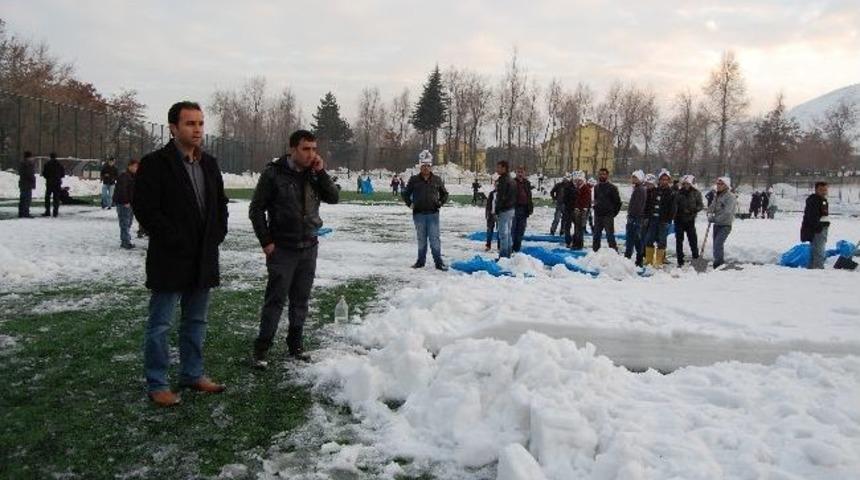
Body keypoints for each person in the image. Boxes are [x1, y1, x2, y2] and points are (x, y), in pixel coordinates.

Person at [132, 101, 229, 407]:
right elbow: (146, 209)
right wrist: (176, 239)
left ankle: (192, 373)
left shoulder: (209, 163)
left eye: (200, 123)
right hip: (170, 258)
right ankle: (157, 382)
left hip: (203, 258)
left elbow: (221, 205)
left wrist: (217, 234)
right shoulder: (155, 163)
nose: (197, 129)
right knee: (160, 324)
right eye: (190, 123)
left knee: (196, 322)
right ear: (173, 128)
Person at [249, 130, 339, 368]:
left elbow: (333, 197)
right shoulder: (274, 174)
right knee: (276, 299)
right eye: (305, 149)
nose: (311, 154)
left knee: (301, 299)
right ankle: (262, 347)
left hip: (309, 245)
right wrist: (266, 242)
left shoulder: (314, 173)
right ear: (292, 149)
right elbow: (256, 209)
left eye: (313, 149)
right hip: (283, 248)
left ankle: (295, 344)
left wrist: (321, 172)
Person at [402, 150, 449, 270]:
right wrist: (410, 204)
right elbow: (405, 193)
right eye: (423, 166)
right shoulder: (414, 180)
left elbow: (445, 194)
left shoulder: (437, 179)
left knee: (434, 239)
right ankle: (420, 262)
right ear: (420, 166)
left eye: (428, 166)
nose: (426, 168)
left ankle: (438, 262)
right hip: (419, 215)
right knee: (421, 239)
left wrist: (440, 203)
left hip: (433, 214)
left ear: (431, 166)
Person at [642, 171, 676, 267]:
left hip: (663, 220)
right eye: (662, 179)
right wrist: (647, 216)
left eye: (666, 180)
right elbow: (649, 204)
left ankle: (659, 261)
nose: (664, 181)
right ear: (659, 180)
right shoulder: (655, 190)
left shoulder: (671, 193)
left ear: (668, 181)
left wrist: (669, 220)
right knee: (649, 239)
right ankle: (648, 259)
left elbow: (673, 208)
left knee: (661, 240)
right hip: (653, 219)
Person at [706, 177, 737, 269]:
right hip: (717, 225)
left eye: (721, 184)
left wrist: (714, 219)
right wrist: (709, 212)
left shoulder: (730, 197)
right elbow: (712, 206)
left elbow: (727, 212)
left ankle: (718, 264)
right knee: (716, 245)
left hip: (725, 225)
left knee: (718, 244)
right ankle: (718, 261)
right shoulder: (717, 196)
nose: (718, 186)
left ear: (726, 185)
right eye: (717, 184)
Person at [673, 175, 704, 267]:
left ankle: (695, 257)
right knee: (679, 240)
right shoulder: (678, 193)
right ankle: (680, 260)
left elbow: (700, 205)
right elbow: (674, 205)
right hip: (679, 220)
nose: (686, 185)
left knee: (693, 240)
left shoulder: (696, 193)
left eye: (688, 184)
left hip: (690, 220)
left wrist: (693, 210)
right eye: (684, 184)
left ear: (691, 184)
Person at [801, 182, 830, 270]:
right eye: (821, 190)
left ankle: (812, 268)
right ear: (816, 190)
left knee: (816, 249)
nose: (824, 192)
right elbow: (812, 215)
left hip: (821, 227)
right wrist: (818, 227)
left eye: (825, 190)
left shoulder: (822, 200)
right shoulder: (815, 200)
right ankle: (818, 268)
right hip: (818, 229)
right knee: (818, 250)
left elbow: (823, 213)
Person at [592, 168, 621, 251]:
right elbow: (595, 199)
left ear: (607, 175)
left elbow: (618, 203)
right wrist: (595, 208)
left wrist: (613, 213)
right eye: (600, 174)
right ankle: (595, 252)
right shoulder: (596, 187)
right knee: (596, 235)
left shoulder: (612, 188)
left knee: (610, 235)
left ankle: (614, 253)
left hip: (608, 216)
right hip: (598, 215)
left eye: (604, 174)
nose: (602, 175)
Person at [113, 159, 139, 249]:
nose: (136, 168)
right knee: (125, 222)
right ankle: (125, 241)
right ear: (130, 166)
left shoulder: (133, 176)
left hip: (130, 203)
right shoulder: (124, 176)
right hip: (124, 203)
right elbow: (122, 190)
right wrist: (125, 201)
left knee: (128, 222)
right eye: (135, 166)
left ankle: (126, 239)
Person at [493, 160, 517, 258]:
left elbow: (501, 197)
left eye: (498, 167)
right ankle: (508, 254)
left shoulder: (503, 180)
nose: (497, 169)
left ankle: (503, 256)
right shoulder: (512, 180)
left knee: (503, 234)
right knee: (508, 233)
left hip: (504, 209)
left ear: (504, 168)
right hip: (511, 209)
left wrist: (497, 210)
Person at [625, 170, 647, 265]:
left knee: (632, 239)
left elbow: (638, 206)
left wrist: (633, 217)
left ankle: (629, 258)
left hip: (635, 218)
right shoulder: (637, 188)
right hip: (634, 217)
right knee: (636, 239)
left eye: (636, 177)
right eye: (633, 177)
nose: (633, 179)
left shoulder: (640, 190)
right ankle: (639, 258)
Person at [511, 166, 534, 252]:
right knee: (513, 229)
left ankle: (517, 249)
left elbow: (529, 196)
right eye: (518, 172)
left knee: (521, 230)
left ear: (524, 173)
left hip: (524, 209)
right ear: (516, 173)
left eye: (521, 172)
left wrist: (530, 207)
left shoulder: (527, 183)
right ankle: (510, 248)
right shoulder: (512, 182)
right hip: (514, 209)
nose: (520, 174)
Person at [567, 172, 591, 250]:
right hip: (577, 210)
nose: (578, 182)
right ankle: (576, 243)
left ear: (583, 181)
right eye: (577, 180)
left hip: (582, 210)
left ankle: (578, 244)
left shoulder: (585, 188)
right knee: (577, 228)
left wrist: (580, 207)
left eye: (580, 180)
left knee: (579, 228)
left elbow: (585, 200)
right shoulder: (578, 188)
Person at [41, 152, 65, 217]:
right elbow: (63, 174)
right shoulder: (59, 164)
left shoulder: (47, 164)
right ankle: (55, 212)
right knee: (56, 198)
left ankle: (47, 211)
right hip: (57, 183)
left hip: (49, 183)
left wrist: (48, 177)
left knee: (47, 197)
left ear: (50, 157)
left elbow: (44, 174)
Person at [17, 151, 36, 218]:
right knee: (27, 199)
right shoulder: (28, 164)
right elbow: (30, 174)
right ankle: (26, 213)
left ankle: (21, 212)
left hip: (22, 183)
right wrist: (33, 180)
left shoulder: (22, 163)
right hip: (27, 184)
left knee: (22, 199)